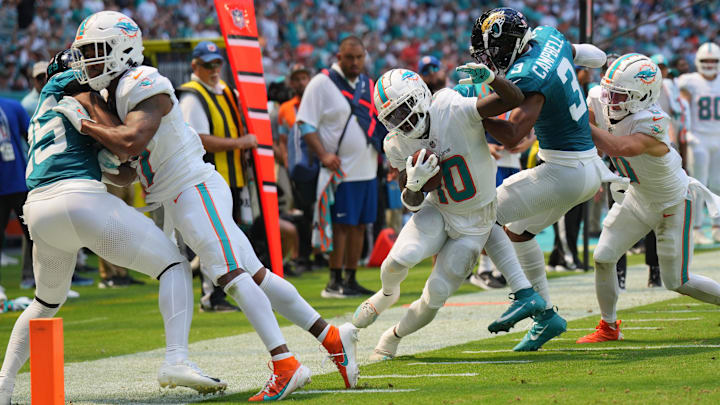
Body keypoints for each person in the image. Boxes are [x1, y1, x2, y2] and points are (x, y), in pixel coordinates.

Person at [61, 11, 359, 399]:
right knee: (255, 276)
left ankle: (285, 362)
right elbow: (130, 168)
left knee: (229, 275)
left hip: (192, 185)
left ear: (123, 49)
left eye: (97, 51)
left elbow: (132, 140)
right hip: (177, 191)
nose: (89, 61)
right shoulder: (115, 94)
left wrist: (86, 124)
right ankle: (332, 336)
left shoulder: (142, 81)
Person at [0, 49, 227, 405]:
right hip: (80, 199)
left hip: (39, 208)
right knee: (174, 265)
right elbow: (122, 141)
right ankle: (177, 360)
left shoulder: (42, 111)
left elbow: (112, 166)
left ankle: (3, 385)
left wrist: (121, 161)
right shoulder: (81, 91)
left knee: (44, 302)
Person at [351, 66, 546, 360]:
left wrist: (492, 79)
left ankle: (393, 337)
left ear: (419, 97)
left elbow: (512, 100)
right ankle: (387, 294)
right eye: (392, 116)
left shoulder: (449, 106)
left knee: (435, 296)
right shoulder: (396, 143)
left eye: (404, 108)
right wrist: (414, 184)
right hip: (439, 210)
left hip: (475, 225)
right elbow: (413, 201)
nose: (401, 120)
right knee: (397, 260)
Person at [468, 8, 615, 351]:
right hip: (586, 166)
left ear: (507, 44)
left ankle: (524, 295)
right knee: (519, 233)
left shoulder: (529, 75)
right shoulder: (550, 36)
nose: (490, 57)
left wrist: (470, 114)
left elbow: (513, 136)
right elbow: (594, 56)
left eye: (492, 49)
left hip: (564, 171)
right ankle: (546, 317)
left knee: (484, 213)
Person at [577, 53, 720, 343]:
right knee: (603, 257)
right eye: (609, 92)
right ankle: (608, 326)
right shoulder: (598, 98)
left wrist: (575, 121)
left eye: (619, 95)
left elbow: (618, 147)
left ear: (643, 96)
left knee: (678, 282)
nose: (610, 100)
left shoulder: (653, 121)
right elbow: (589, 136)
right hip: (638, 196)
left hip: (673, 202)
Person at [296, 36, 383, 298]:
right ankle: (334, 281)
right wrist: (323, 155)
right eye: (350, 57)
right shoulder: (321, 83)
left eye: (359, 57)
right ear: (339, 57)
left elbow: (379, 124)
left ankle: (351, 277)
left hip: (368, 168)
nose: (355, 62)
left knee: (360, 226)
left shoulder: (369, 84)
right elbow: (306, 124)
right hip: (340, 170)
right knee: (341, 226)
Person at [178, 40, 258, 312]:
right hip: (209, 177)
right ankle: (211, 296)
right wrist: (240, 143)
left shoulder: (226, 92)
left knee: (230, 238)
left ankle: (226, 290)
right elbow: (199, 139)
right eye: (206, 65)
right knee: (212, 239)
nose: (213, 69)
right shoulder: (192, 96)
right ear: (194, 66)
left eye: (217, 64)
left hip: (232, 177)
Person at [677, 42, 720, 245]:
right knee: (698, 185)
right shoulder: (690, 81)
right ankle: (695, 228)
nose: (710, 64)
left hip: (718, 136)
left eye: (714, 61)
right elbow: (680, 104)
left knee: (718, 184)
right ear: (698, 62)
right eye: (706, 61)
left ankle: (717, 226)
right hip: (699, 138)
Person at [0, 96, 33, 290]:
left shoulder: (13, 106)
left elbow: (32, 138)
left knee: (35, 235)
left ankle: (42, 282)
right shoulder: (13, 105)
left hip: (18, 182)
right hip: (14, 181)